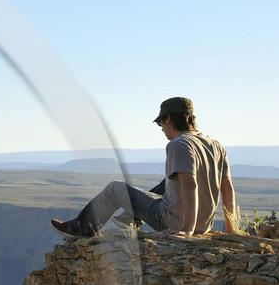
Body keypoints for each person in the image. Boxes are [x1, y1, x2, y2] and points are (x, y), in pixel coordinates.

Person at [51, 97, 237, 238]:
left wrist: (187, 230)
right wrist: (230, 228)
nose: (161, 128)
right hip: (205, 225)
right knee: (169, 181)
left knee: (115, 189)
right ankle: (129, 219)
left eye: (160, 123)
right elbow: (227, 187)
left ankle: (79, 229)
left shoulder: (178, 144)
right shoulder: (215, 145)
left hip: (174, 222)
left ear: (169, 119)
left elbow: (190, 185)